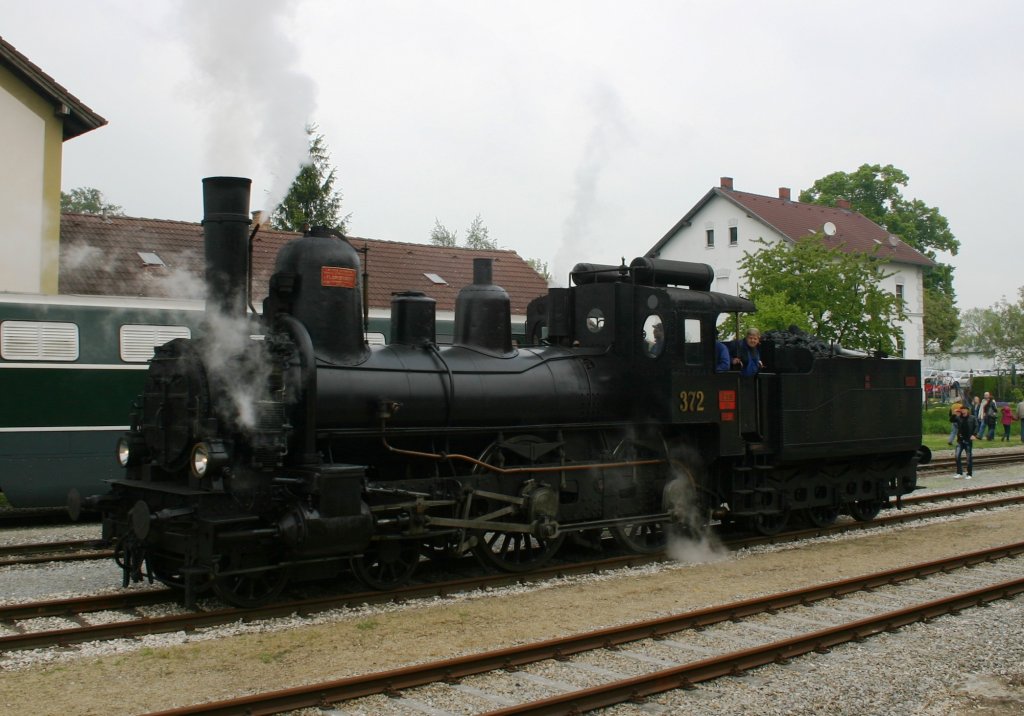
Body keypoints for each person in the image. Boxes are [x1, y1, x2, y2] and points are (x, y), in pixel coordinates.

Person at [954, 404, 977, 479]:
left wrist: (974, 435)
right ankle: (959, 472)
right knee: (957, 456)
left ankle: (969, 474)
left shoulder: (972, 418)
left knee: (968, 457)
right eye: (962, 409)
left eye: (964, 409)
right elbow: (951, 420)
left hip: (968, 440)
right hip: (960, 440)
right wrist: (954, 414)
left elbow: (976, 426)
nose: (963, 410)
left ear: (967, 410)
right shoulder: (958, 418)